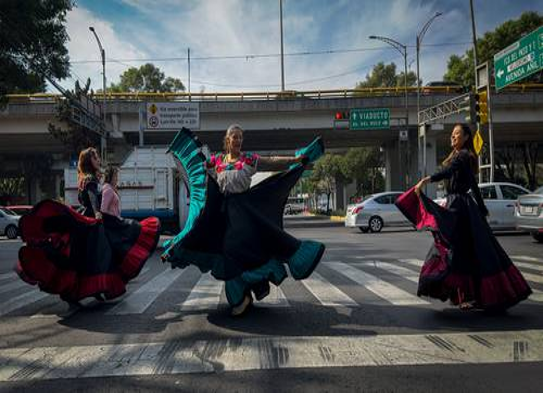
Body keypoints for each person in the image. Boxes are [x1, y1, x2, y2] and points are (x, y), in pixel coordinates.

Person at [162, 125, 326, 317]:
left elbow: (272, 162)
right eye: (235, 137)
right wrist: (186, 159)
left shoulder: (248, 160)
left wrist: (295, 160)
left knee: (237, 250)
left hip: (244, 215)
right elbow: (198, 172)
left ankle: (242, 294)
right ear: (227, 140)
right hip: (223, 215)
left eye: (241, 137)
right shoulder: (216, 161)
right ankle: (242, 294)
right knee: (222, 250)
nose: (238, 140)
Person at [395, 124, 532, 311]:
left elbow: (448, 173)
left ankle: (467, 295)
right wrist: (482, 208)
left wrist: (425, 180)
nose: (452, 137)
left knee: (456, 250)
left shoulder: (463, 156)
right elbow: (474, 185)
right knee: (460, 251)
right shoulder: (461, 156)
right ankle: (463, 295)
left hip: (460, 208)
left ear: (466, 137)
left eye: (456, 134)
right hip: (460, 206)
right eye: (452, 134)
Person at [16, 148, 161, 306]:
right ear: (88, 161)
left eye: (98, 156)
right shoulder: (90, 179)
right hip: (92, 224)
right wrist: (98, 213)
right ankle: (87, 290)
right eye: (95, 157)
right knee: (99, 258)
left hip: (88, 222)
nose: (98, 159)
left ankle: (90, 290)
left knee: (89, 260)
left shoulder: (85, 178)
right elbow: (92, 197)